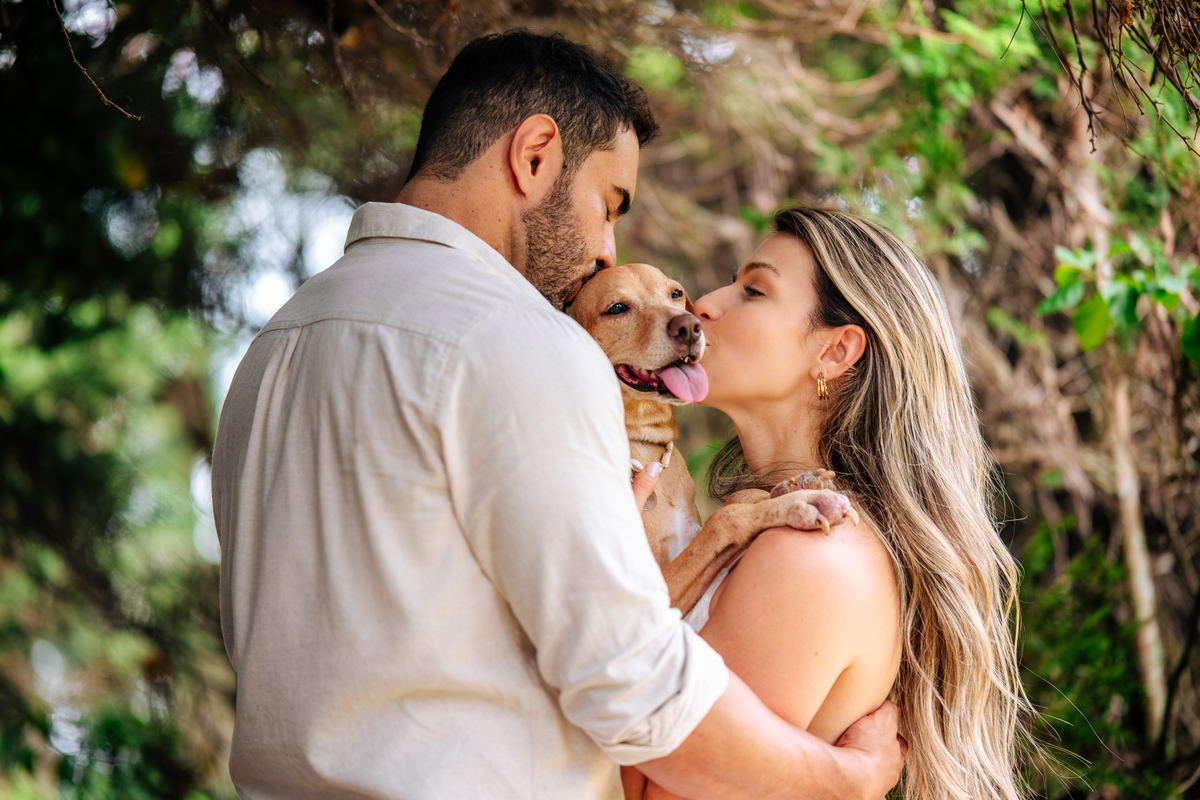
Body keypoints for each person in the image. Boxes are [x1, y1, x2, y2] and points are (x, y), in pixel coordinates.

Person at [211, 30, 904, 800]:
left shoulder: (275, 345)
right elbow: (632, 681)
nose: (607, 250)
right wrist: (846, 780)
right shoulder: (518, 341)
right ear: (534, 156)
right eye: (608, 206)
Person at [628, 206, 1031, 800]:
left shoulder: (813, 555)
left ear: (836, 352)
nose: (704, 305)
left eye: (753, 291)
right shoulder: (780, 527)